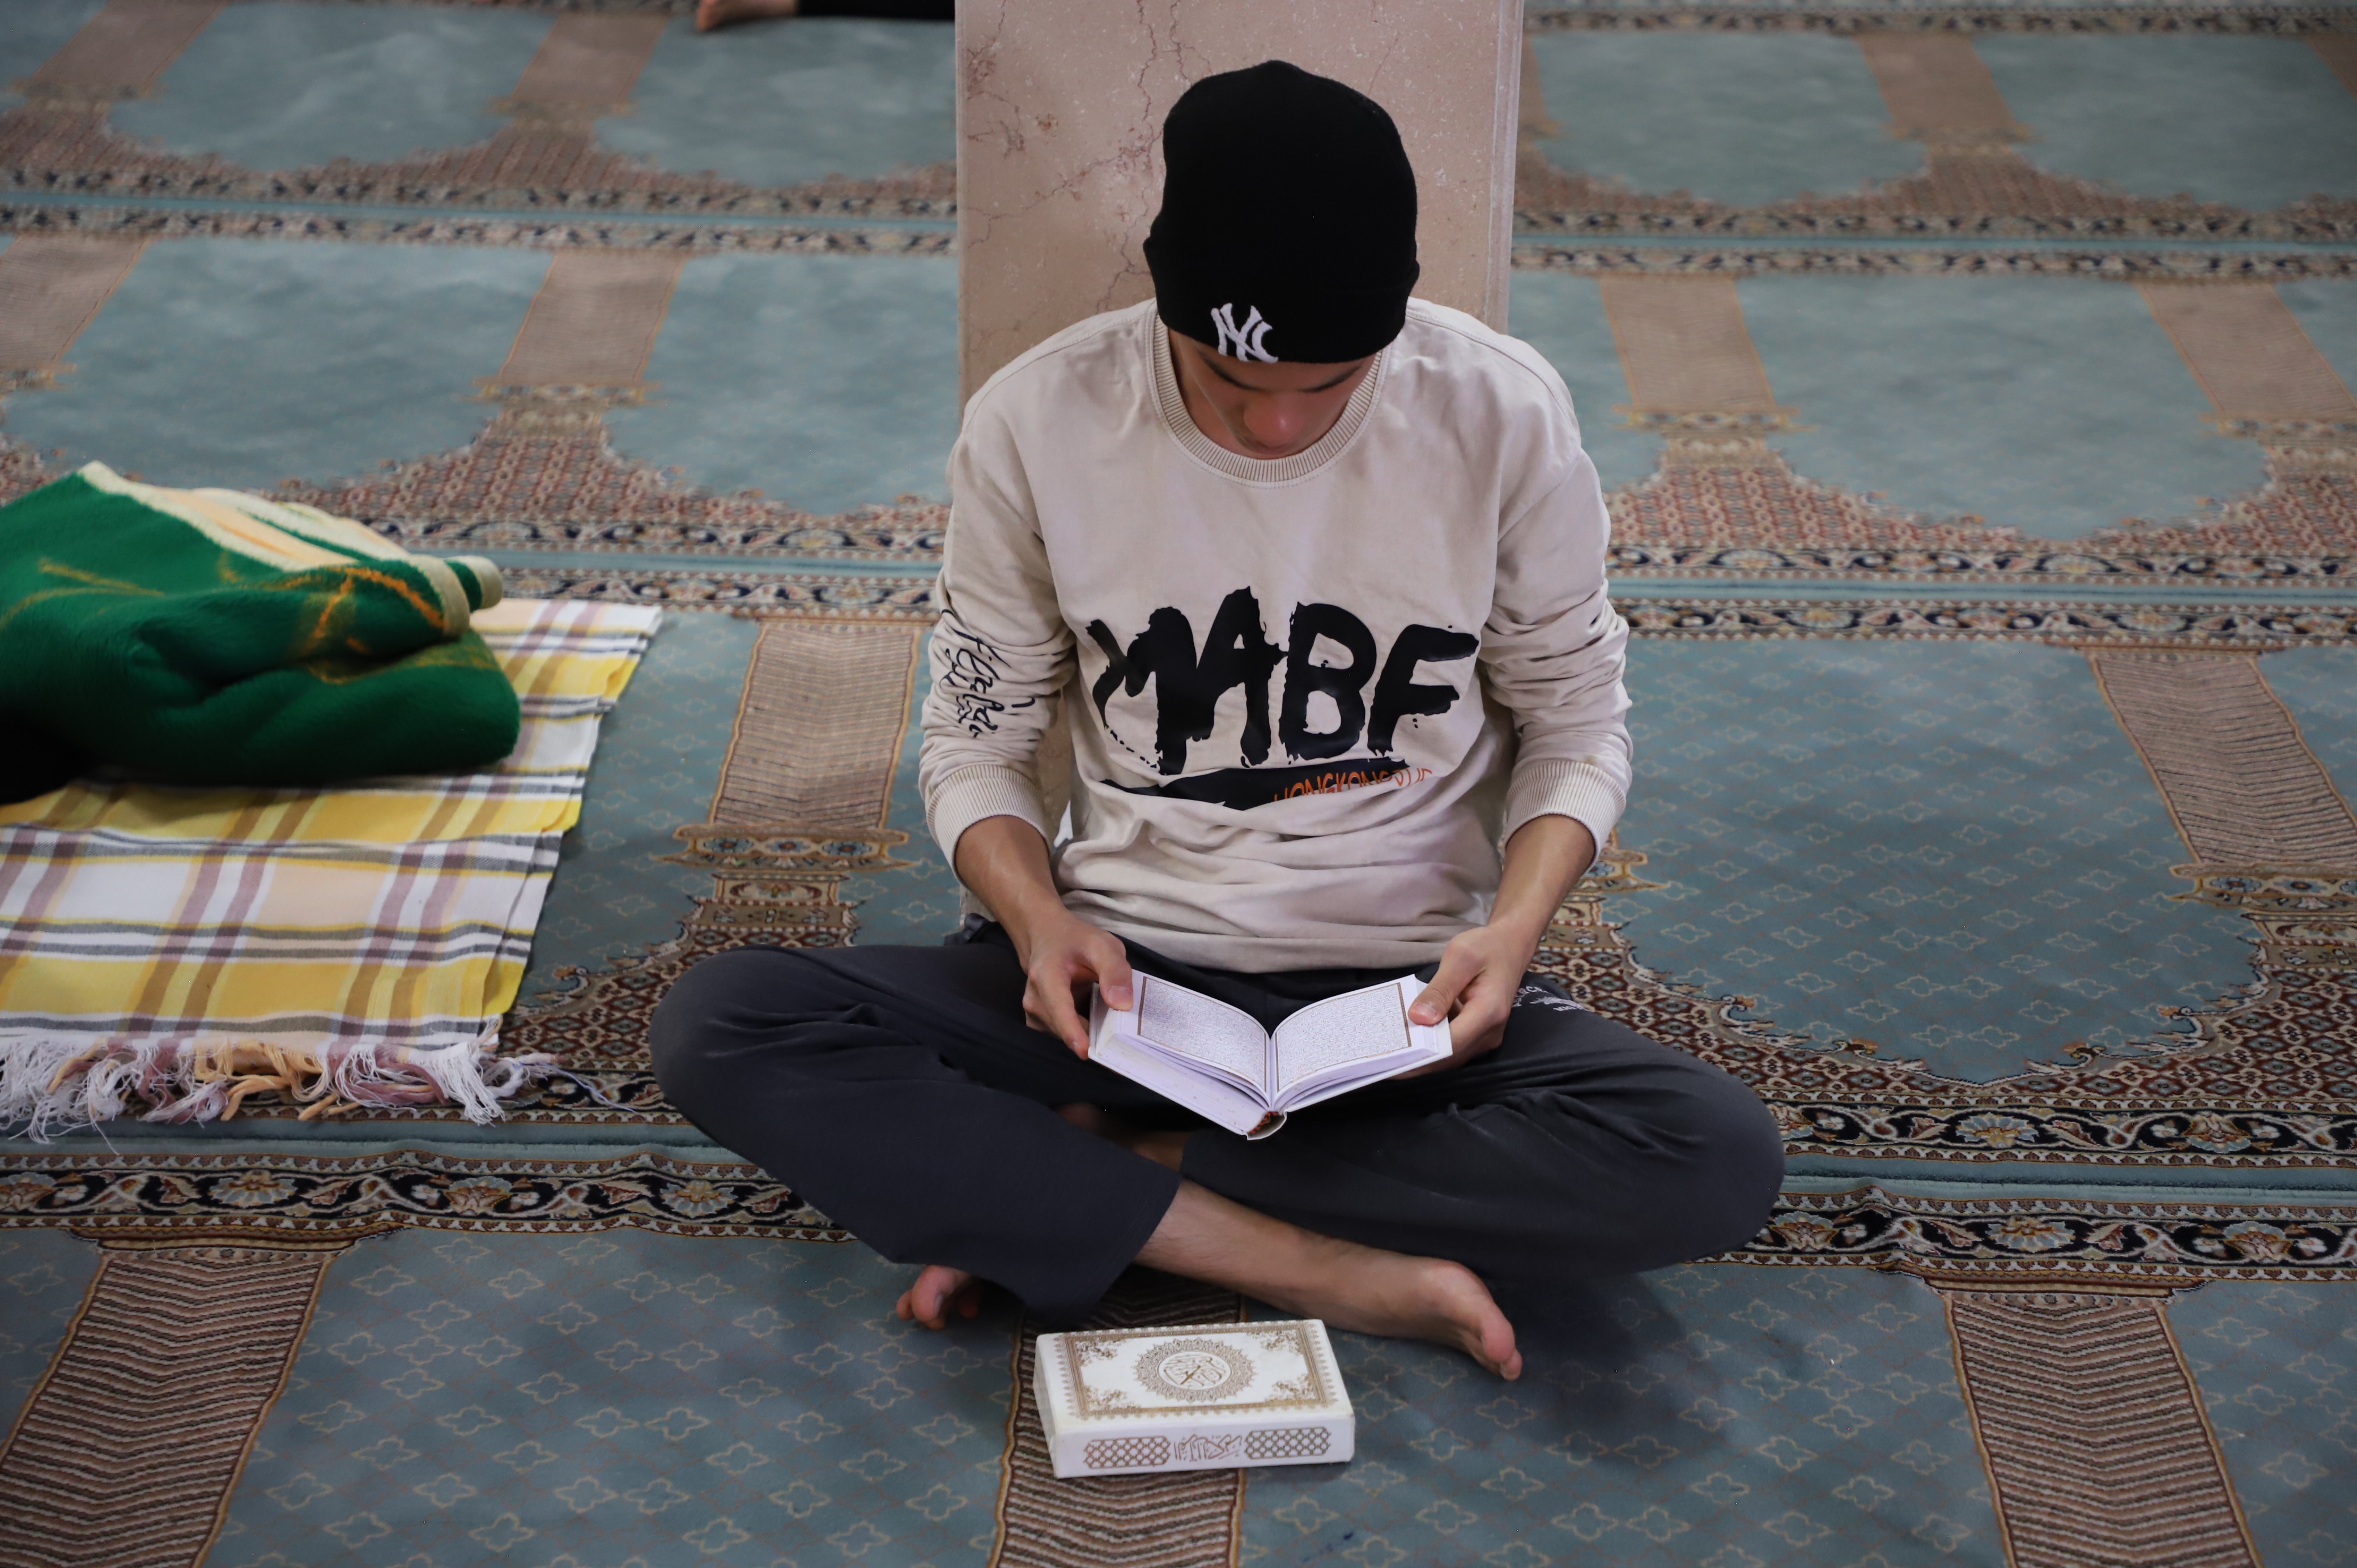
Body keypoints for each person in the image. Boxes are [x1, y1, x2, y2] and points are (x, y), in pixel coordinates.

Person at [653, 61, 1782, 1380]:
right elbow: (977, 738)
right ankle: (1313, 1261)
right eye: (1229, 379)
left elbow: (1576, 719)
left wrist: (1514, 930)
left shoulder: (1500, 409)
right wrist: (1039, 923)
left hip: (1404, 1003)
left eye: (1332, 382)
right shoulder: (1039, 419)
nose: (1278, 423)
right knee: (726, 1020)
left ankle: (1090, 1184)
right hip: (1123, 992)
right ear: (1168, 301)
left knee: (1712, 1154)